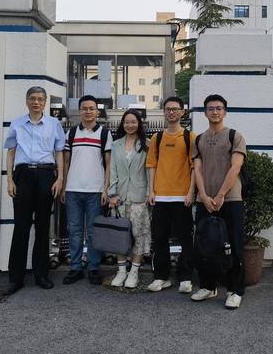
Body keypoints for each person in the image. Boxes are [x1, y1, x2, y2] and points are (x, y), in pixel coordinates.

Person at [3, 86, 65, 295]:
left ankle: (41, 274)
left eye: (40, 99)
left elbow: (59, 152)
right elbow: (11, 152)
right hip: (22, 175)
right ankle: (15, 278)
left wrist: (60, 178)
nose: (36, 102)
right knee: (20, 226)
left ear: (45, 102)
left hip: (46, 175)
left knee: (42, 226)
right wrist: (10, 179)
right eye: (32, 98)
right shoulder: (17, 123)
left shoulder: (54, 124)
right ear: (26, 101)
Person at [191, 94, 246, 310]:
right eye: (211, 108)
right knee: (205, 244)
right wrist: (204, 196)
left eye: (219, 108)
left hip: (230, 199)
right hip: (205, 200)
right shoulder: (199, 139)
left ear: (225, 112)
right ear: (205, 113)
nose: (215, 112)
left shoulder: (234, 136)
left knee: (233, 244)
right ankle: (208, 286)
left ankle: (235, 290)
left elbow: (236, 167)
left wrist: (221, 194)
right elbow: (197, 169)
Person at [146, 96, 196, 293]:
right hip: (160, 196)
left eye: (175, 109)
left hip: (182, 196)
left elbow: (194, 167)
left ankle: (185, 277)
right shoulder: (157, 138)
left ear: (182, 112)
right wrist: (151, 191)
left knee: (185, 239)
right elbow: (152, 165)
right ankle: (161, 277)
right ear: (164, 112)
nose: (171, 112)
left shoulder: (190, 137)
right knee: (159, 239)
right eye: (168, 109)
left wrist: (191, 191)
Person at [61, 95, 112, 285]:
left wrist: (106, 189)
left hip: (96, 190)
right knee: (74, 231)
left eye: (91, 108)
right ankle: (75, 268)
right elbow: (66, 162)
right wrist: (64, 187)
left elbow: (109, 164)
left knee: (93, 232)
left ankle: (93, 268)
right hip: (73, 189)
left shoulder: (104, 134)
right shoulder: (71, 133)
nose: (88, 111)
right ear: (79, 111)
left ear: (97, 111)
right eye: (84, 108)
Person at [107, 109, 151, 289]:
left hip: (139, 196)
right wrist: (112, 193)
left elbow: (150, 170)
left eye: (133, 122)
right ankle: (121, 271)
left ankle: (134, 272)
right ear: (122, 124)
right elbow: (112, 169)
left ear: (139, 124)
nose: (130, 125)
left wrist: (149, 192)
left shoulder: (147, 144)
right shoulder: (116, 144)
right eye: (127, 122)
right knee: (120, 235)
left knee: (139, 235)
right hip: (119, 197)